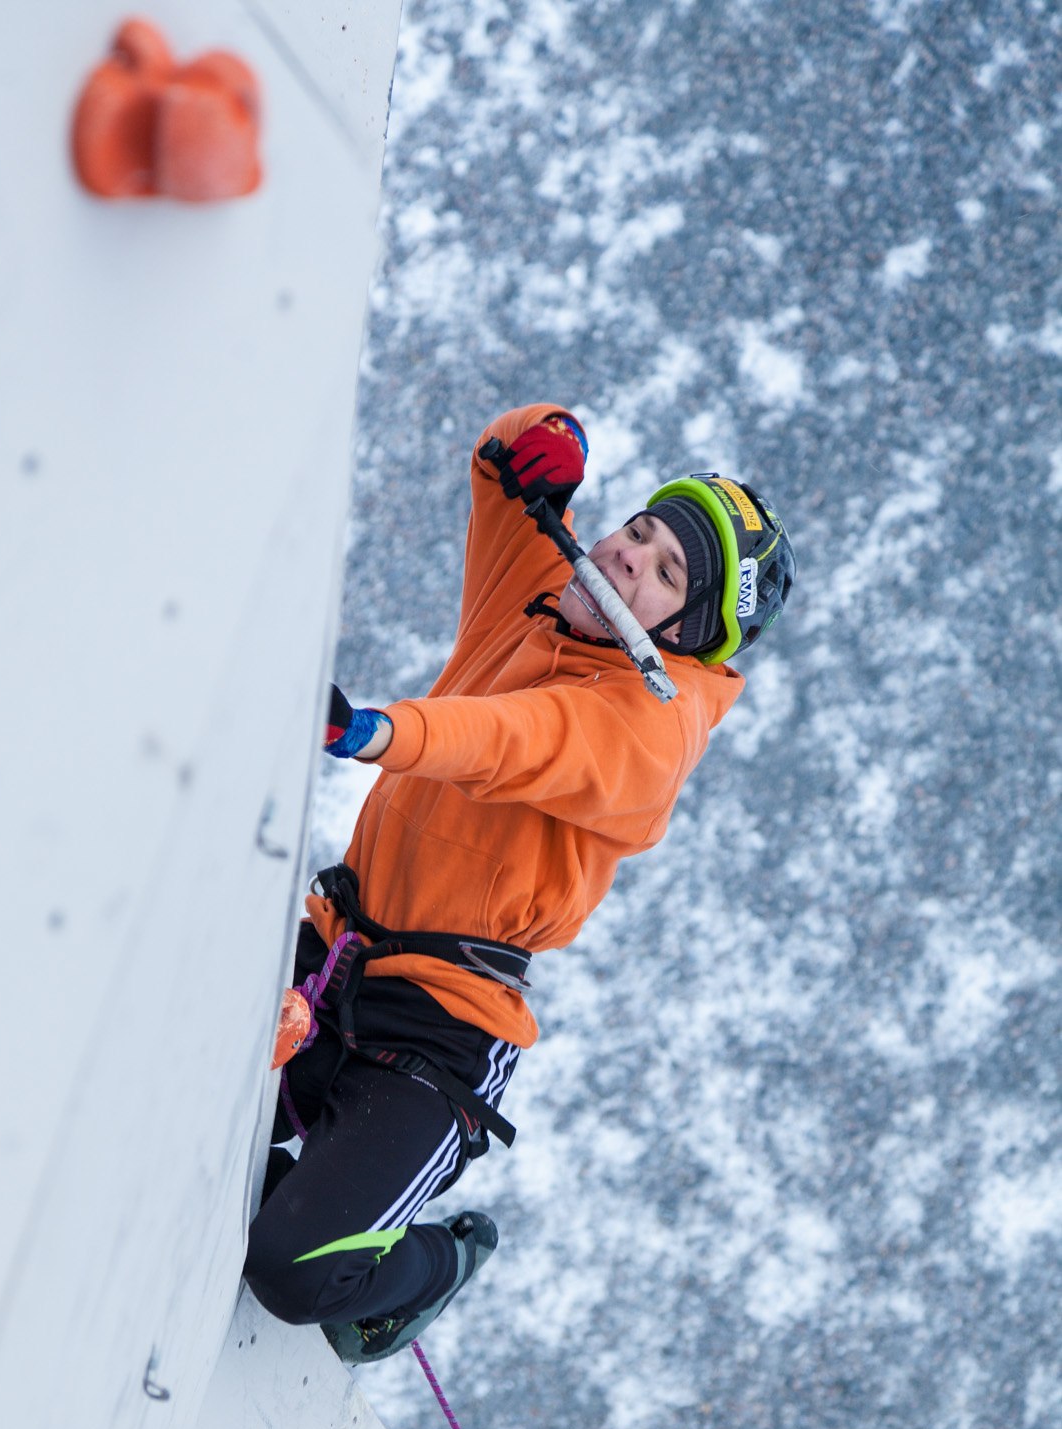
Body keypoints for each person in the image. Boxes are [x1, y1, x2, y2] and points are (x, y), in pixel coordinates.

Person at [243, 403, 795, 1363]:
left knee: (295, 1270)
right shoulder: (541, 591)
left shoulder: (648, 735)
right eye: (639, 532)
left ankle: (429, 1267)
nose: (628, 559)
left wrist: (378, 733)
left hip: (437, 1035)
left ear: (687, 632)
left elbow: (514, 740)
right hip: (334, 948)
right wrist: (550, 437)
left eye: (668, 574)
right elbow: (504, 463)